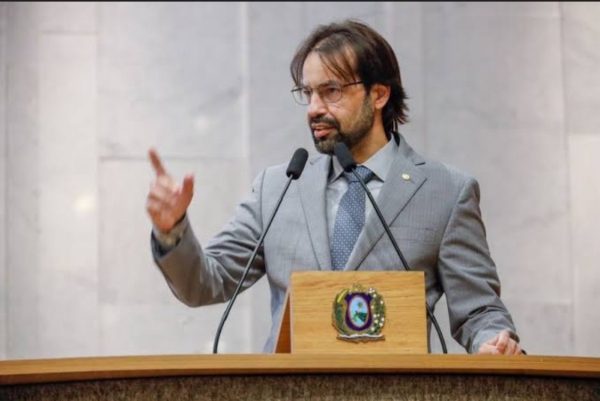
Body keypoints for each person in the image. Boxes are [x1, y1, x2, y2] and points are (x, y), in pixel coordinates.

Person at [146, 19, 522, 355]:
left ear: (379, 94)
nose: (313, 108)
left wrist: (494, 341)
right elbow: (204, 282)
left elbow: (479, 310)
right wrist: (171, 231)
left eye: (331, 91)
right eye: (307, 92)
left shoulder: (445, 192)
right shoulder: (277, 188)